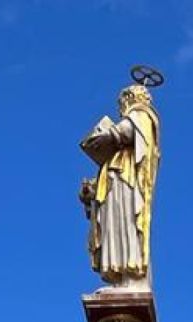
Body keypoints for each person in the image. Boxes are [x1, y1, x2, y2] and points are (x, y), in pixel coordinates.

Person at [80, 85, 160, 285]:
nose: (120, 109)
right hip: (116, 184)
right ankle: (119, 273)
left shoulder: (142, 115)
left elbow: (126, 131)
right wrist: (92, 191)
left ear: (130, 98)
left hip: (127, 185)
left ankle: (129, 273)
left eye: (121, 103)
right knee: (114, 224)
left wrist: (103, 136)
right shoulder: (118, 155)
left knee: (126, 221)